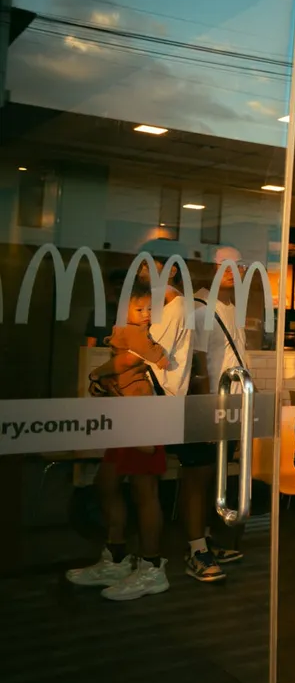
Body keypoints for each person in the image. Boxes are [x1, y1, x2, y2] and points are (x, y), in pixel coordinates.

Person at [68, 241, 194, 601]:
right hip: (133, 405)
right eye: (141, 266)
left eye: (149, 266)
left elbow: (137, 359)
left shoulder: (173, 308)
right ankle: (119, 556)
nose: (142, 272)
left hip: (149, 406)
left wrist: (99, 372)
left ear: (170, 270)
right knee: (108, 482)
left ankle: (151, 566)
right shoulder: (153, 306)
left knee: (142, 488)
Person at [171, 245, 250, 584]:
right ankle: (196, 548)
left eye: (238, 266)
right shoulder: (202, 308)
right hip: (209, 406)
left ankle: (205, 540)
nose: (232, 272)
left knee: (214, 477)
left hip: (229, 406)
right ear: (211, 270)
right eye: (224, 266)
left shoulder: (230, 308)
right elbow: (198, 363)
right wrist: (204, 410)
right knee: (197, 476)